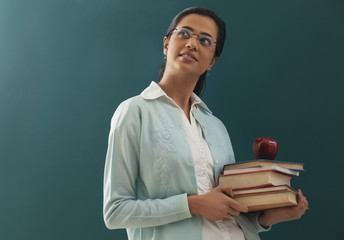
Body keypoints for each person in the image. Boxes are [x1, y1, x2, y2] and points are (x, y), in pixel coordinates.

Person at [103, 7, 308, 240]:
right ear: (166, 44)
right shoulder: (134, 112)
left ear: (213, 61)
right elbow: (115, 212)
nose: (192, 43)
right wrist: (194, 205)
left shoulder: (216, 127)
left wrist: (267, 219)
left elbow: (226, 211)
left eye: (204, 40)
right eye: (184, 34)